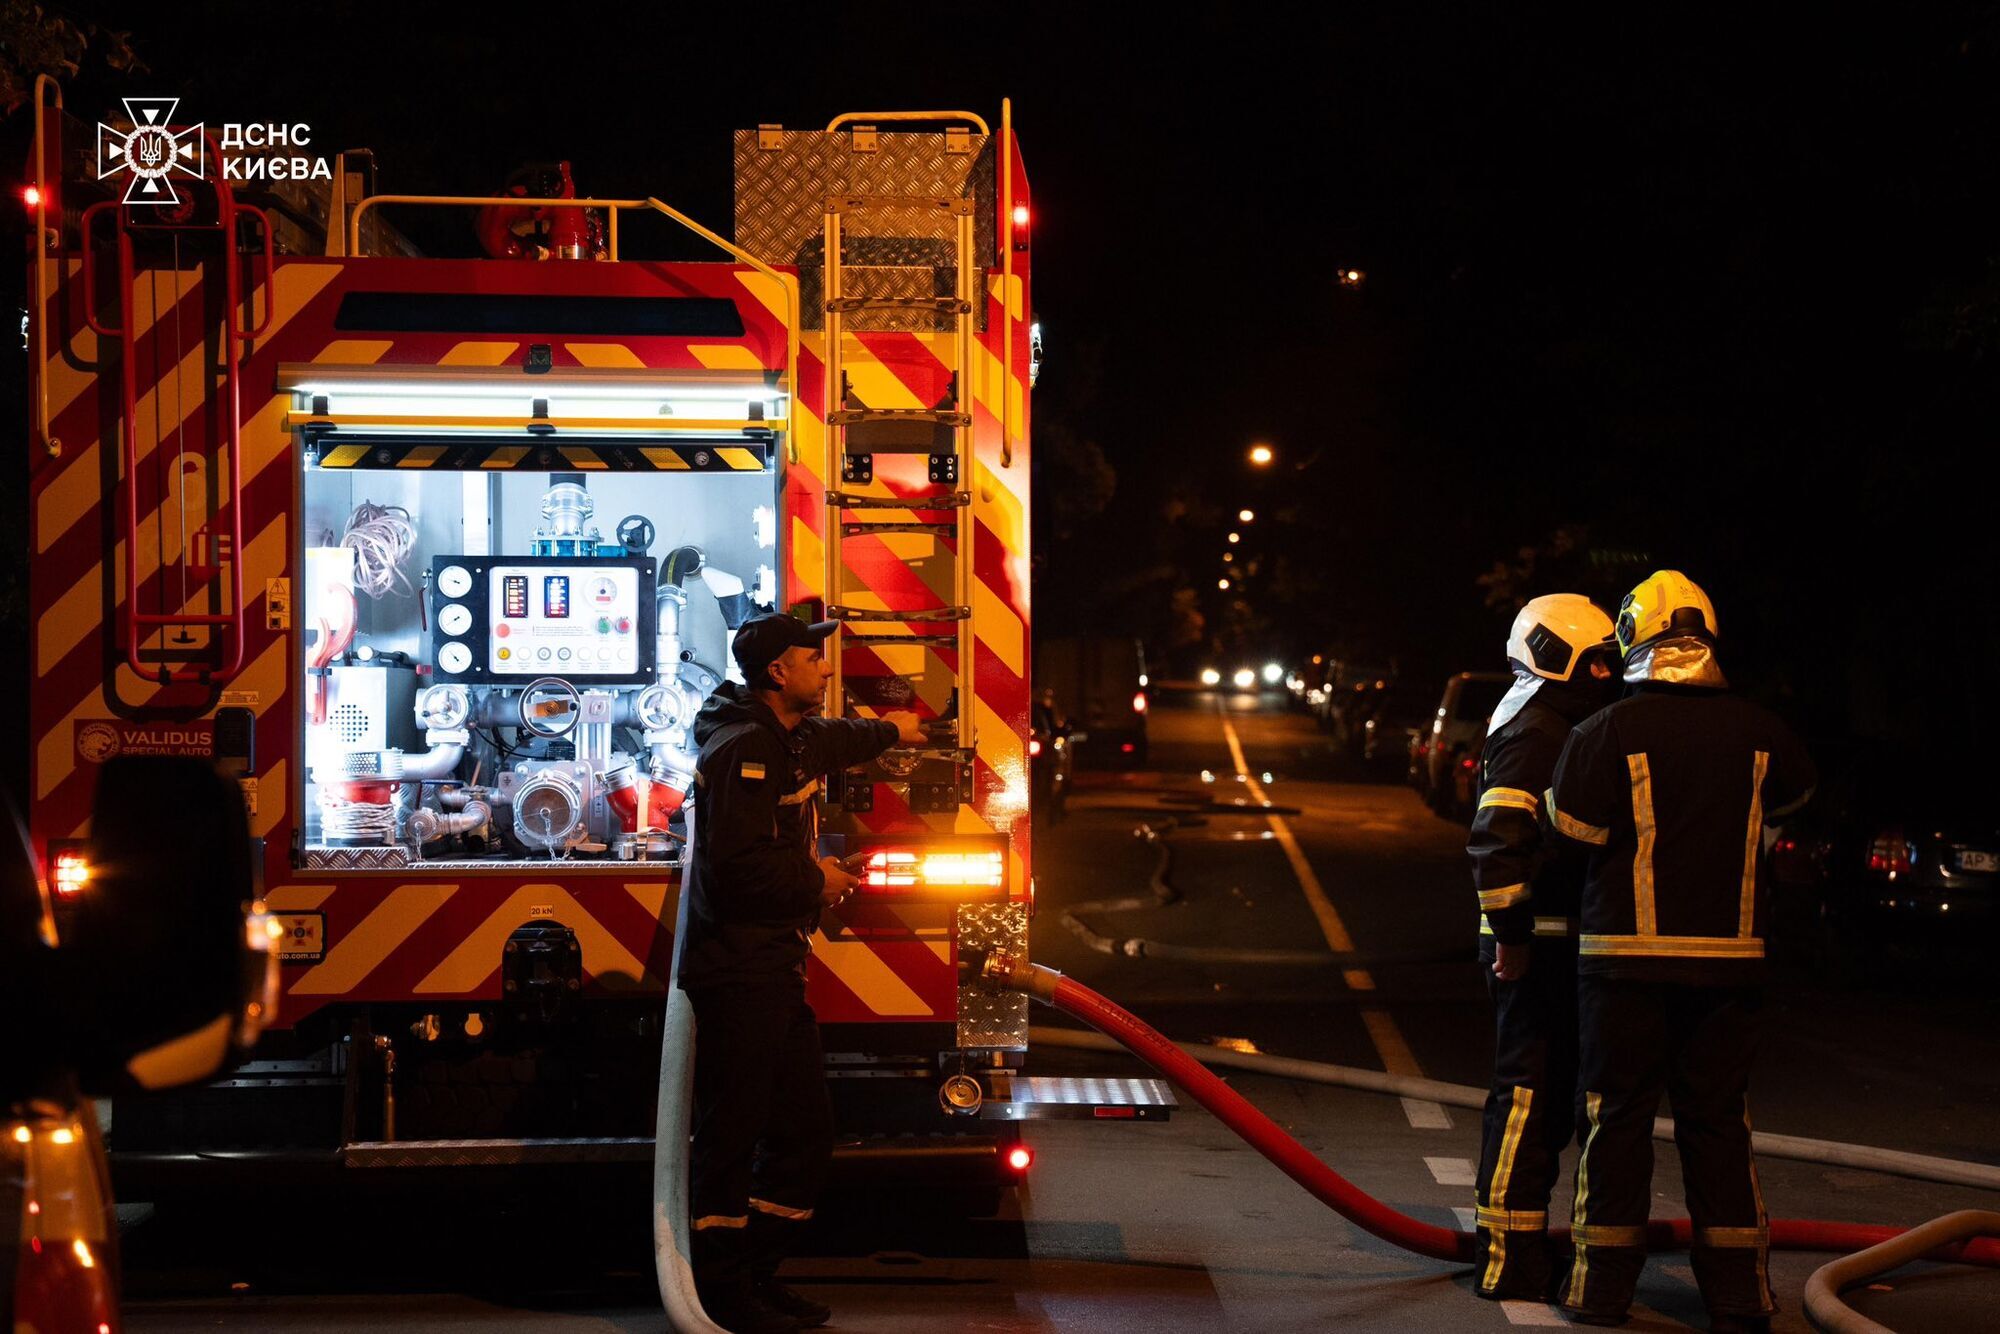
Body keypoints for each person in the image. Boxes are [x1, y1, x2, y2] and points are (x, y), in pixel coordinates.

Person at [1546, 571, 1814, 1332]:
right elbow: (1797, 796)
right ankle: (1739, 1296)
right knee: (1719, 1123)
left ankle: (1600, 1290)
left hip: (1624, 964)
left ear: (1633, 637)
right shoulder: (1764, 731)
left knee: (1616, 1121)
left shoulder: (1604, 732)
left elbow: (1570, 835)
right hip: (1730, 965)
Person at [677, 611, 925, 1333]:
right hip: (740, 973)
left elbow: (833, 740)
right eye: (812, 659)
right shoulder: (746, 749)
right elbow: (736, 870)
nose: (826, 667)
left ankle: (757, 1274)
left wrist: (892, 731)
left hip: (773, 970)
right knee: (732, 1140)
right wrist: (816, 881)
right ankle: (723, 1294)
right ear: (777, 672)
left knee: (804, 1135)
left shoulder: (782, 735)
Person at [1466, 593, 1619, 1302]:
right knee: (1528, 1099)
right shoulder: (1537, 731)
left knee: (1547, 1103)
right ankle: (1508, 1259)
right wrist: (1514, 938)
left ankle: (1522, 1249)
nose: (1604, 675)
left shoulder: (1548, 720)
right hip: (1534, 947)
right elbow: (1497, 843)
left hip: (1551, 943)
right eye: (1592, 662)